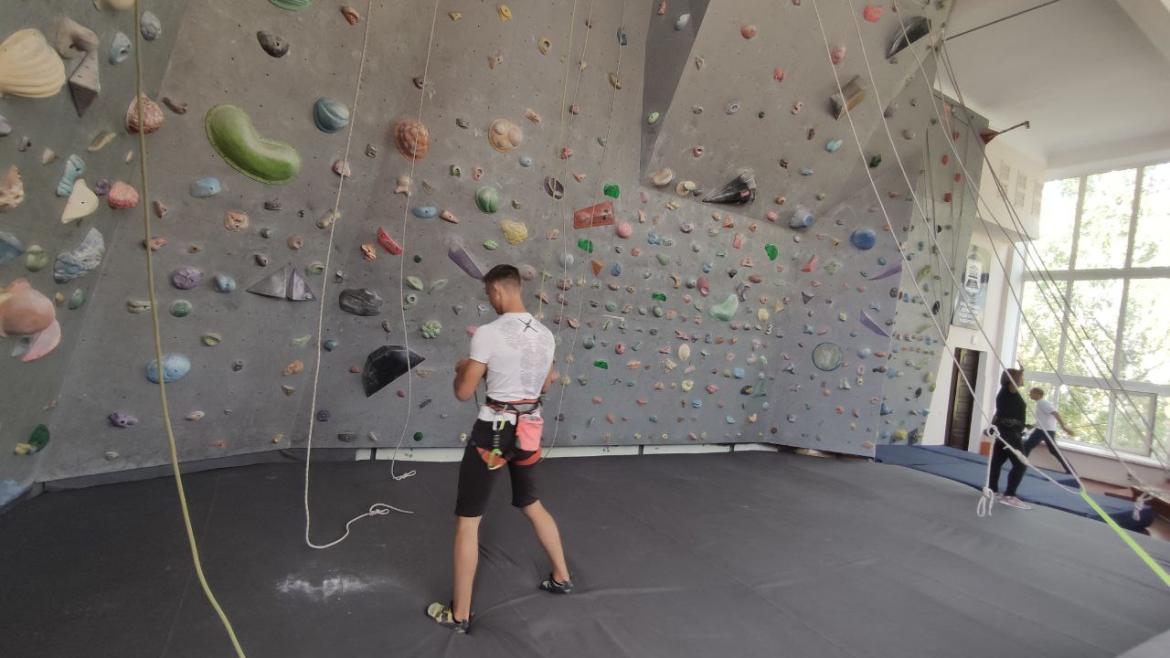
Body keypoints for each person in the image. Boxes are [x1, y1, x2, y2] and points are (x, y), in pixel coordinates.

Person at [426, 264, 572, 634]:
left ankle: (459, 614)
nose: (489, 301)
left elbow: (463, 392)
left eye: (488, 294)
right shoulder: (546, 335)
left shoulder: (488, 334)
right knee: (530, 502)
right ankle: (561, 576)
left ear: (496, 291)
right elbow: (544, 387)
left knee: (468, 520)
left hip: (494, 432)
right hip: (529, 429)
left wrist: (463, 368)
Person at [988, 368, 1032, 510]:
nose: (1022, 379)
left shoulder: (1005, 393)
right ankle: (1009, 496)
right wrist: (1020, 372)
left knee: (997, 462)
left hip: (1004, 432)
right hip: (1009, 435)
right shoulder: (1008, 389)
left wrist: (1023, 425)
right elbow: (1013, 383)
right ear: (1012, 379)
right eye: (1021, 377)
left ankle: (992, 490)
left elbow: (999, 413)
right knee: (1021, 464)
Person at [1024, 387, 1076, 474]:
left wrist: (1064, 427)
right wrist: (1032, 426)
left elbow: (1056, 413)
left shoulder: (1042, 403)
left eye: (1031, 393)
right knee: (1052, 450)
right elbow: (1042, 420)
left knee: (1027, 446)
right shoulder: (1040, 403)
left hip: (1044, 431)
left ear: (1038, 394)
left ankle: (1020, 465)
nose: (1030, 395)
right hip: (1044, 430)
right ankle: (1071, 471)